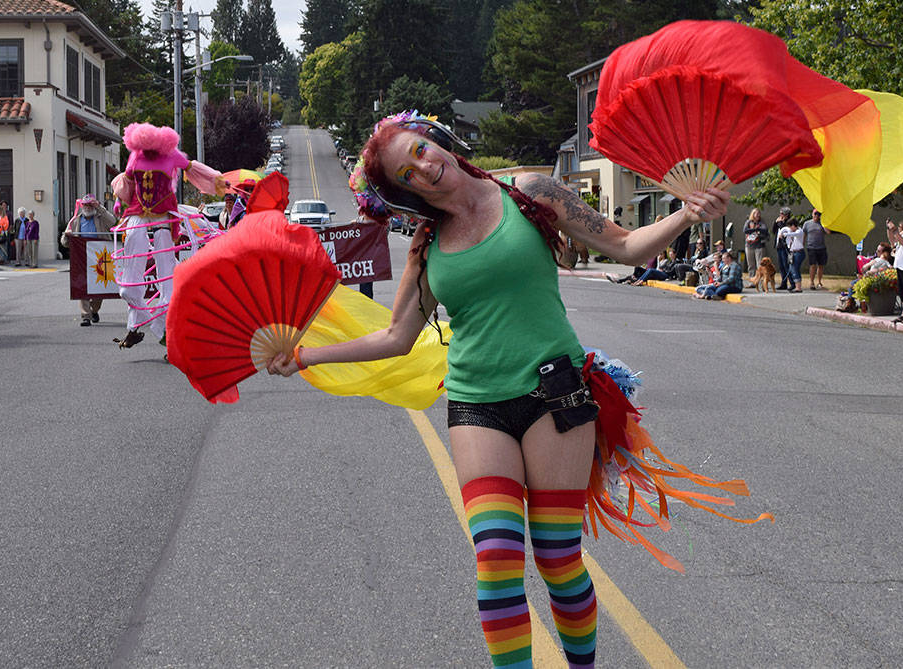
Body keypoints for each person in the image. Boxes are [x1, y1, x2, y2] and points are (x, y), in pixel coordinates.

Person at [267, 113, 729, 668]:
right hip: (476, 405)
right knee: (496, 559)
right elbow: (395, 337)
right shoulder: (425, 249)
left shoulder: (529, 195)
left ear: (435, 140)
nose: (424, 168)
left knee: (558, 558)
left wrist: (686, 213)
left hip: (556, 396)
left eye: (419, 151)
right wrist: (303, 357)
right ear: (403, 192)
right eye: (407, 175)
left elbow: (628, 246)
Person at [111, 122, 222, 348]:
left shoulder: (172, 155)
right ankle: (140, 318)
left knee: (165, 264)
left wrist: (217, 180)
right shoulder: (135, 156)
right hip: (138, 210)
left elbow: (193, 168)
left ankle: (163, 325)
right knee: (133, 248)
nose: (147, 151)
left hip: (164, 212)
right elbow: (127, 181)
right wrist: (117, 201)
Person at [64, 194, 117, 326]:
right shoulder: (75, 221)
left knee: (100, 288)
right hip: (82, 257)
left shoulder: (101, 218)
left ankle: (94, 309)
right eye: (85, 205)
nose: (87, 207)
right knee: (82, 286)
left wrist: (99, 207)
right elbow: (64, 241)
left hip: (100, 257)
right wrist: (67, 237)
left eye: (89, 205)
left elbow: (113, 222)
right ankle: (85, 315)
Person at [802, 209, 828, 290]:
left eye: (818, 214)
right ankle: (812, 282)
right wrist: (802, 244)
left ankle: (819, 282)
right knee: (813, 265)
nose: (817, 215)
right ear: (812, 214)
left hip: (821, 247)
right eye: (815, 214)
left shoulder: (822, 223)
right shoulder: (807, 223)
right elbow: (804, 234)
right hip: (811, 247)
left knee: (821, 266)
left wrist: (824, 225)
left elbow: (828, 232)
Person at [777, 218, 805, 292]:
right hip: (793, 253)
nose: (789, 229)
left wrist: (784, 234)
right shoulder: (795, 232)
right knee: (793, 269)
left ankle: (798, 287)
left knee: (794, 269)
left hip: (798, 253)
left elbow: (793, 234)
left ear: (793, 225)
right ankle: (797, 286)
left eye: (790, 227)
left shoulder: (799, 231)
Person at [742, 208, 768, 279]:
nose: (758, 215)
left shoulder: (761, 222)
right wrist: (756, 229)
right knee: (751, 265)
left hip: (759, 246)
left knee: (760, 265)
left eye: (759, 213)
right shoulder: (748, 222)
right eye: (756, 213)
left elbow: (765, 230)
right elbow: (745, 230)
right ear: (752, 214)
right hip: (749, 246)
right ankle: (752, 280)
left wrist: (756, 230)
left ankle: (761, 281)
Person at [772, 207, 792, 290]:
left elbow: (784, 229)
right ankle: (784, 283)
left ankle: (792, 283)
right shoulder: (780, 222)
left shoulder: (789, 222)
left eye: (782, 214)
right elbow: (773, 231)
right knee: (781, 266)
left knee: (786, 265)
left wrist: (779, 222)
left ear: (786, 215)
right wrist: (775, 222)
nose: (780, 215)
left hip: (785, 247)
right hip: (779, 246)